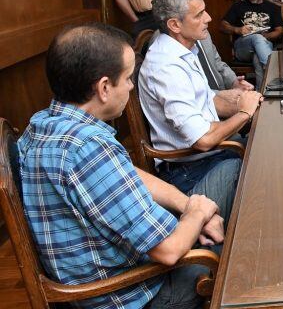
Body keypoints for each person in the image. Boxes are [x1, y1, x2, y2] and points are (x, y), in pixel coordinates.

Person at [18, 23, 223, 309]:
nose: (130, 86)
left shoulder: (43, 124)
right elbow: (169, 251)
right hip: (133, 295)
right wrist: (199, 213)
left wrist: (187, 205)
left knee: (219, 191)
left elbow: (126, 172)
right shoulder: (88, 149)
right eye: (128, 78)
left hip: (109, 280)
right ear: (103, 87)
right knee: (226, 237)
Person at [139, 0, 263, 222]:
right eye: (198, 15)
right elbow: (203, 140)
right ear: (175, 25)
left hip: (208, 158)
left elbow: (208, 101)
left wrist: (244, 100)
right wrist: (244, 114)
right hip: (188, 172)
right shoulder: (167, 67)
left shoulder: (184, 50)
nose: (208, 18)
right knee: (260, 172)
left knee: (266, 144)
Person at [220, 0, 283, 85]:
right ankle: (273, 71)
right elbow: (222, 25)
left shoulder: (272, 7)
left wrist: (265, 36)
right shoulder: (238, 6)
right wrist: (238, 30)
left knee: (257, 58)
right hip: (243, 48)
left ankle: (261, 95)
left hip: (264, 45)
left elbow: (280, 31)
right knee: (256, 38)